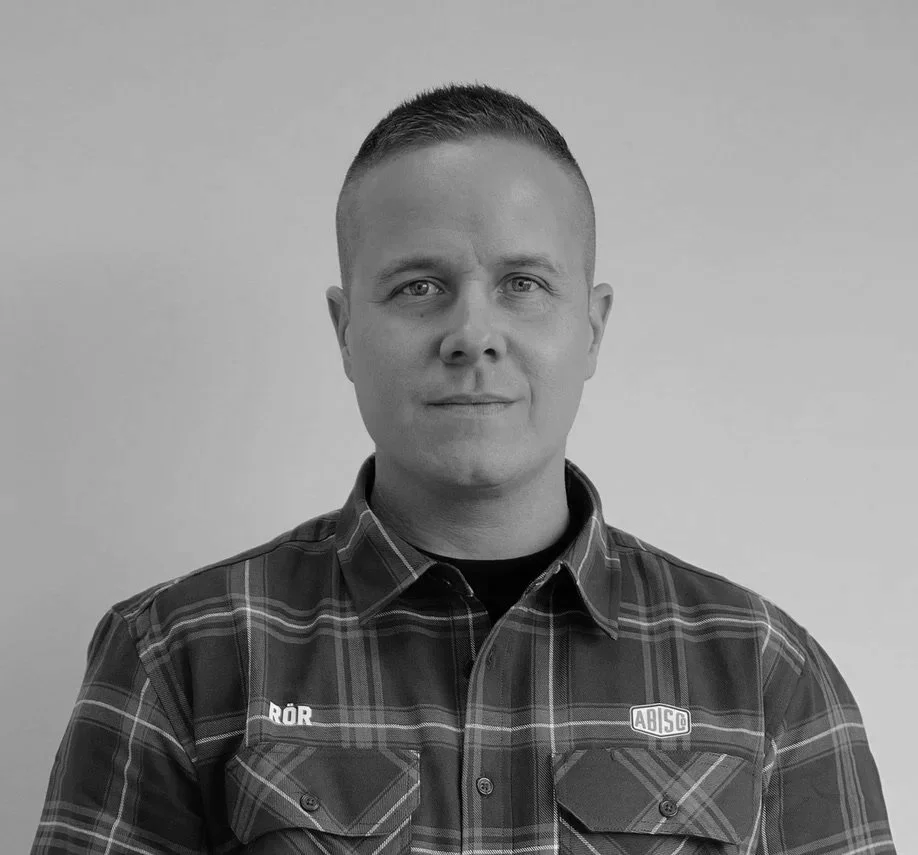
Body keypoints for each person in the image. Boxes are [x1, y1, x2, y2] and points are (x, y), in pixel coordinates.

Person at [31, 82, 896, 854]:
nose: (472, 333)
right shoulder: (179, 652)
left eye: (522, 283)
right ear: (343, 329)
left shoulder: (764, 669)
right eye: (419, 285)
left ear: (591, 327)